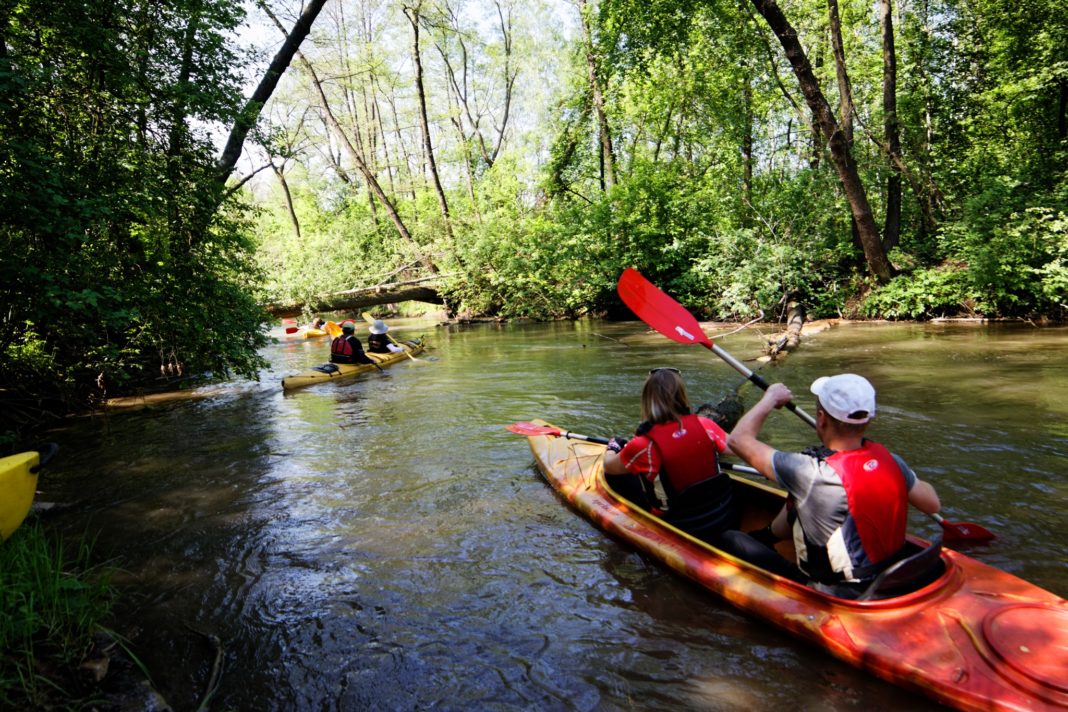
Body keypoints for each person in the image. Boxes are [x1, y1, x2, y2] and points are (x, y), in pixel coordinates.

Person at [727, 373, 942, 599]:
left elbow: (737, 440)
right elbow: (932, 504)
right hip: (891, 577)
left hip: (842, 593)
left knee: (732, 539)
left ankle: (782, 562)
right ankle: (767, 537)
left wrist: (769, 398)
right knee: (800, 501)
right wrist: (901, 475)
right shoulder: (892, 461)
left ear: (821, 418)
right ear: (868, 419)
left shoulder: (809, 472)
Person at [602, 368, 801, 579]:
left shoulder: (643, 445)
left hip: (682, 526)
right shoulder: (705, 425)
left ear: (647, 399)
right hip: (724, 516)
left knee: (622, 478)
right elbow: (737, 447)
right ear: (681, 395)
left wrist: (613, 447)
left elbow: (610, 467)